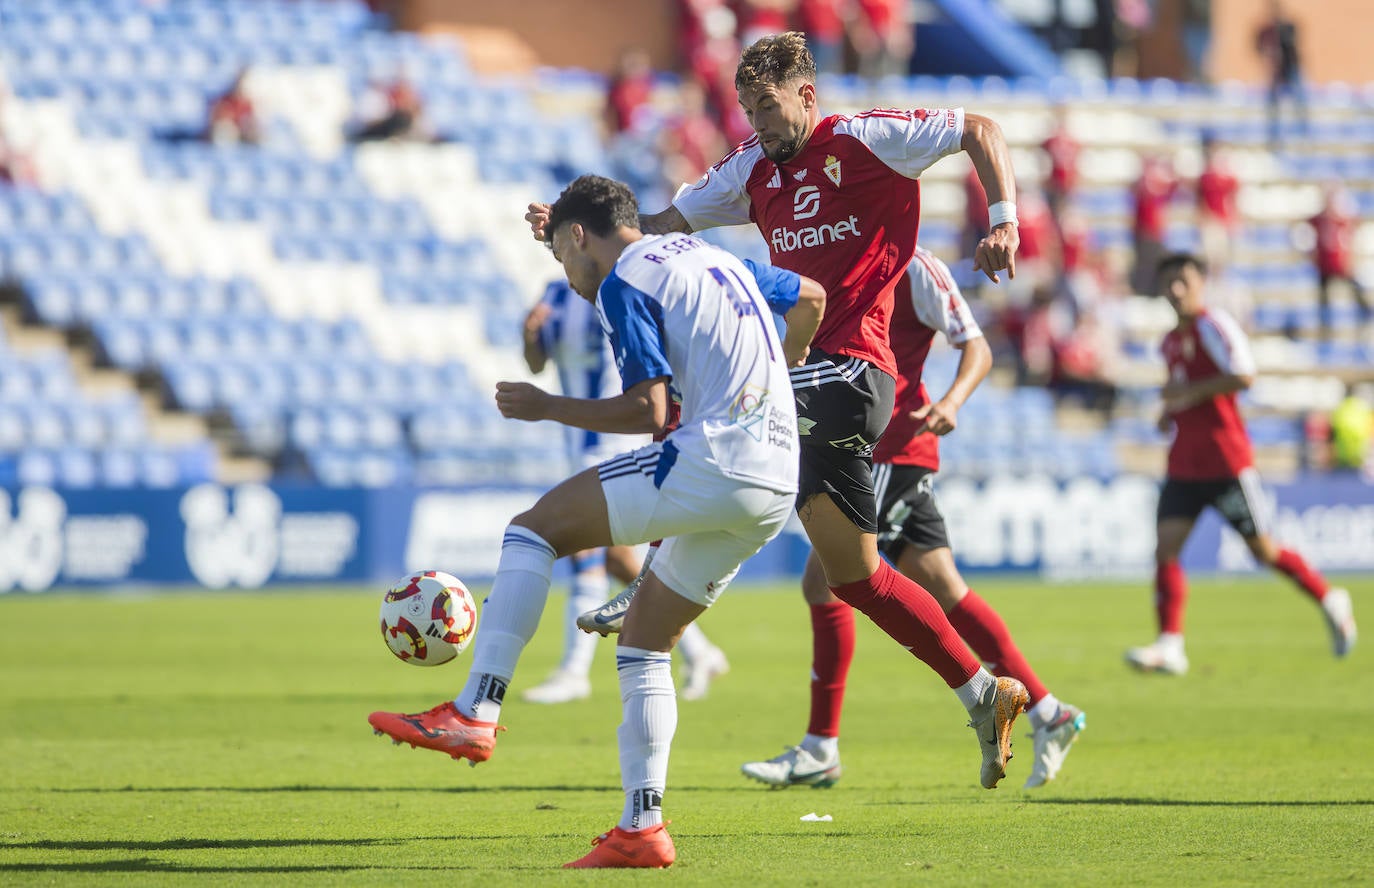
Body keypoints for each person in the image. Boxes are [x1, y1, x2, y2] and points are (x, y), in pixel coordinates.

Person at [529, 31, 1030, 791]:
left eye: (770, 105)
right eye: (748, 109)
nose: (760, 122)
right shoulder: (750, 171)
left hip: (855, 369)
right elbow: (659, 230)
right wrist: (582, 239)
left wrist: (1004, 217)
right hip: (812, 384)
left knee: (692, 404)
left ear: (806, 95)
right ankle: (983, 692)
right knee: (855, 577)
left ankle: (656, 570)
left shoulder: (866, 139)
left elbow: (979, 130)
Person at [370, 175, 824, 869]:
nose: (569, 278)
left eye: (561, 256)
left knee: (533, 529)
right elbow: (812, 297)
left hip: (715, 458)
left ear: (580, 237)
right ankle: (642, 828)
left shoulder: (623, 281)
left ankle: (475, 710)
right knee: (643, 645)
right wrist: (780, 368)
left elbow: (646, 410)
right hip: (774, 475)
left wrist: (546, 405)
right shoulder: (712, 257)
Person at [739, 247, 1086, 791]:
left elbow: (976, 346)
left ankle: (821, 746)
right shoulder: (825, 253)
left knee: (829, 581)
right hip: (868, 444)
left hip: (889, 448)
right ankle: (1048, 713)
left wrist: (951, 402)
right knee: (943, 586)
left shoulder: (914, 266)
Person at [1125, 253, 1357, 675]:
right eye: (1169, 283)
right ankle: (1170, 644)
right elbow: (1180, 390)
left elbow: (1244, 375)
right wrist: (1168, 412)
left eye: (1183, 281)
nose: (1175, 290)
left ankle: (1329, 597)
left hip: (1226, 463)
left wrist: (1187, 396)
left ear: (1200, 284)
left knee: (1264, 551)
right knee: (1166, 549)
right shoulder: (1170, 340)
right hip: (1184, 465)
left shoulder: (1215, 325)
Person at [520, 279, 731, 703]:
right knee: (617, 559)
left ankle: (575, 670)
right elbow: (537, 364)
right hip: (576, 437)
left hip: (614, 434)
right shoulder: (554, 292)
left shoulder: (621, 290)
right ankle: (701, 650)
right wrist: (530, 336)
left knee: (578, 543)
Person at [1307, 184, 1370, 340]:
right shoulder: (1318, 219)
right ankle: (1326, 332)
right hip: (1325, 267)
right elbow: (1302, 232)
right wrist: (1310, 254)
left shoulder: (1345, 219)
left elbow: (1356, 234)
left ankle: (1365, 321)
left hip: (1343, 266)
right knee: (1324, 301)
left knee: (1357, 294)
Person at [1255, 0, 1305, 148]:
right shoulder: (1265, 30)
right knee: (1273, 103)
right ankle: (1273, 133)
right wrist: (1268, 54)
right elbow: (1258, 47)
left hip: (1291, 67)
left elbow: (1291, 42)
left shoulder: (1287, 27)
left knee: (1299, 99)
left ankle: (1302, 130)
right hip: (1275, 70)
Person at [1196, 136, 1240, 276]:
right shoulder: (1206, 176)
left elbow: (1233, 197)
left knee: (1221, 258)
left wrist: (1233, 218)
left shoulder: (1227, 176)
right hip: (1211, 221)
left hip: (1222, 220)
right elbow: (1201, 199)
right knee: (1210, 257)